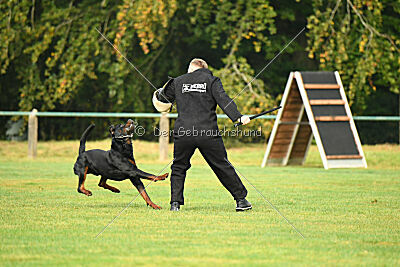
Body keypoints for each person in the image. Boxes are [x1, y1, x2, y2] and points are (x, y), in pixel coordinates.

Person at [152, 58, 252, 212]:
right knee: (221, 165)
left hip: (183, 132)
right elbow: (223, 100)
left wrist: (161, 96)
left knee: (178, 167)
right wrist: (238, 117)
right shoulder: (212, 81)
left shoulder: (178, 81)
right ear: (204, 69)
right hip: (207, 132)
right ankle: (241, 201)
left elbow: (161, 98)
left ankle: (175, 204)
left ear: (191, 69)